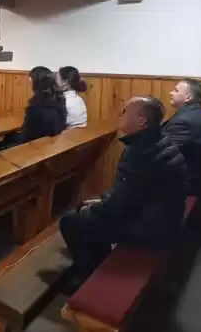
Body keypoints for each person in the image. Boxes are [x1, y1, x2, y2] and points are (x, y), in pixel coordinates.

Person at [59, 96, 187, 291]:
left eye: (125, 111)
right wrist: (103, 201)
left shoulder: (140, 152)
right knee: (90, 211)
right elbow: (131, 193)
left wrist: (95, 208)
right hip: (163, 220)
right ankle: (96, 264)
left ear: (141, 121)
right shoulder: (158, 141)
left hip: (151, 230)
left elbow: (122, 205)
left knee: (71, 221)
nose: (120, 113)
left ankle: (89, 277)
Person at [164, 78, 201, 197]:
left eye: (176, 90)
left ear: (188, 97)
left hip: (181, 186)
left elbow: (165, 153)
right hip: (191, 183)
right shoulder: (195, 114)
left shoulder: (183, 121)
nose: (171, 93)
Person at [5, 66, 66, 146]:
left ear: (35, 83)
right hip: (52, 143)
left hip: (36, 147)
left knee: (8, 138)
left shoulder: (35, 107)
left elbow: (27, 137)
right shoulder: (60, 100)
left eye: (30, 81)